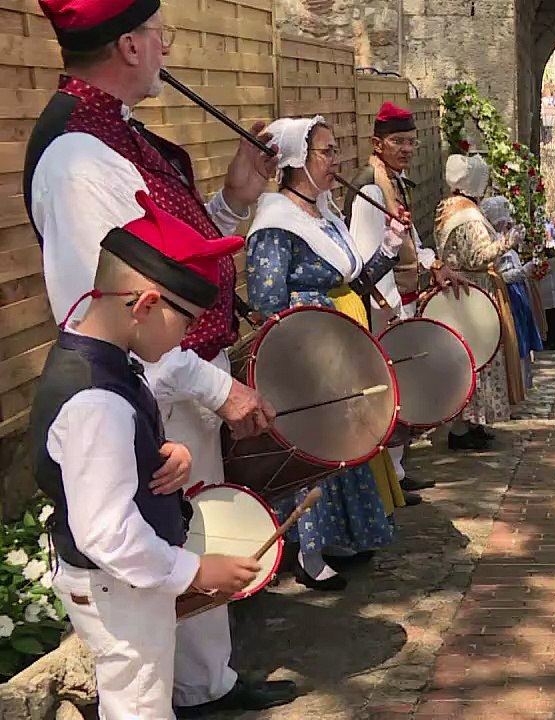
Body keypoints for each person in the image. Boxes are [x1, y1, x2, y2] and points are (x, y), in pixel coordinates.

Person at [24, 0, 294, 712]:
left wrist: (232, 204)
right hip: (150, 389)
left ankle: (206, 685)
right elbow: (118, 304)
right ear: (130, 45)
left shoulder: (110, 136)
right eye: (158, 34)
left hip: (169, 383)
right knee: (154, 583)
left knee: (184, 526)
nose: (168, 46)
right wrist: (215, 388)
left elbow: (166, 264)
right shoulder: (78, 157)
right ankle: (178, 694)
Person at [33, 191, 261, 720]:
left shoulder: (99, 358)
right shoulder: (97, 399)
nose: (189, 337)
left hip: (122, 586)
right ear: (145, 306)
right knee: (139, 706)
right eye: (187, 324)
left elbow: (97, 459)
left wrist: (162, 453)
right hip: (118, 589)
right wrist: (195, 570)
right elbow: (107, 532)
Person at [245, 116, 407, 591]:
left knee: (341, 444)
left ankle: (336, 537)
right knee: (311, 446)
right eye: (327, 151)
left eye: (335, 150)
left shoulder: (326, 213)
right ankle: (305, 553)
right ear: (297, 160)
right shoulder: (276, 222)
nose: (336, 160)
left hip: (339, 342)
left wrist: (389, 249)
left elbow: (351, 281)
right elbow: (265, 300)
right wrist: (295, 350)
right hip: (305, 348)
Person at [345, 100, 442, 503]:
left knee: (399, 388)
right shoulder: (370, 186)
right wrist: (390, 308)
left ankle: (398, 470)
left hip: (400, 297)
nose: (406, 149)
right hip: (383, 306)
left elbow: (408, 239)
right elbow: (370, 253)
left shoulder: (394, 181)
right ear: (377, 144)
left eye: (410, 142)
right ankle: (390, 476)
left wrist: (432, 263)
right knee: (388, 391)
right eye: (398, 142)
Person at [435, 155, 520, 450]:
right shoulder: (467, 216)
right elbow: (477, 256)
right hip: (473, 290)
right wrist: (508, 241)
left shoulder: (449, 208)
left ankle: (472, 422)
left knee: (473, 356)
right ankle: (462, 428)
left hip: (463, 291)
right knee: (477, 357)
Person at [482, 197, 542, 391]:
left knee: (523, 340)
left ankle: (523, 385)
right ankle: (515, 386)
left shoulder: (502, 240)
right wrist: (523, 272)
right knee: (515, 341)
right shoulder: (493, 244)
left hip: (518, 295)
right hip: (507, 296)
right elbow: (500, 275)